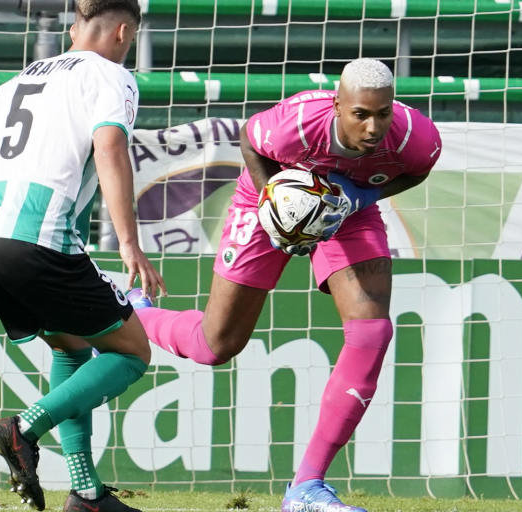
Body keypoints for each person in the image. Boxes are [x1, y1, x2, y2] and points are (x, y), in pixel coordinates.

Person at [128, 58, 442, 512]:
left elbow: (418, 170)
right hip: (268, 198)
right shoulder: (297, 123)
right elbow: (250, 140)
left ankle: (306, 488)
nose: (374, 127)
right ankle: (138, 313)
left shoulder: (416, 136)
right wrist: (272, 203)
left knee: (373, 331)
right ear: (338, 105)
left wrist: (362, 196)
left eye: (383, 113)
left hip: (346, 211)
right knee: (216, 345)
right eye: (361, 114)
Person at [0, 0, 165, 512]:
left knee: (71, 346)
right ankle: (23, 428)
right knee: (131, 352)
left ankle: (84, 494)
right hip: (37, 244)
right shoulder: (112, 76)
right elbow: (110, 149)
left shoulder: (15, 84)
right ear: (124, 32)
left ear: (73, 27)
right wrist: (130, 243)